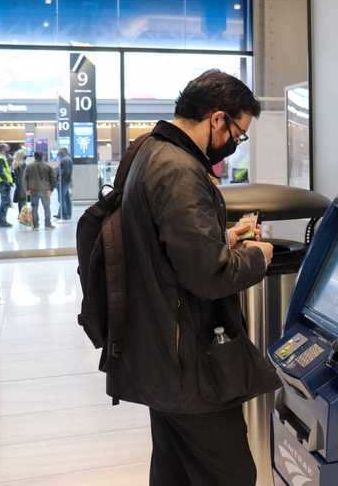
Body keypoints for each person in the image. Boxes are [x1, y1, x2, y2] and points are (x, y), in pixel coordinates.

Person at [116, 70, 274, 486]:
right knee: (232, 474)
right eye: (238, 135)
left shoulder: (148, 151)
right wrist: (258, 255)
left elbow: (162, 247)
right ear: (217, 119)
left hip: (158, 351)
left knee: (174, 472)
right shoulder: (181, 171)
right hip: (190, 365)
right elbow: (209, 276)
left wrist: (219, 237)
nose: (233, 145)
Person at [24, 152, 56, 230]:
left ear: (34, 157)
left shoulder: (29, 166)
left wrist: (27, 189)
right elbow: (53, 178)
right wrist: (51, 189)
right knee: (47, 208)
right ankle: (47, 225)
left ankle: (35, 226)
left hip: (33, 189)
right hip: (45, 189)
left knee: (34, 208)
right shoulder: (48, 166)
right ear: (42, 156)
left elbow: (25, 178)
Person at [0, 143, 14, 228]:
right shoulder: (0, 158)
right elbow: (0, 171)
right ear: (2, 150)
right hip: (3, 183)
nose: (7, 152)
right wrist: (6, 181)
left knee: (5, 202)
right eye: (6, 150)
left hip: (0, 182)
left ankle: (3, 221)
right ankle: (2, 222)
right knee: (5, 202)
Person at [55, 147, 73, 220]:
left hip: (63, 182)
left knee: (61, 198)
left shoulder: (65, 160)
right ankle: (64, 213)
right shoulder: (68, 159)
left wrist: (59, 179)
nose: (58, 153)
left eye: (60, 152)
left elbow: (65, 171)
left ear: (63, 152)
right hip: (66, 181)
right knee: (66, 198)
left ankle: (65, 214)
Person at [11, 149, 27, 215]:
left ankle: (21, 215)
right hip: (22, 184)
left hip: (18, 184)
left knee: (21, 201)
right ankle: (23, 216)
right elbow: (22, 176)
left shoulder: (15, 163)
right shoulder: (22, 164)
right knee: (23, 200)